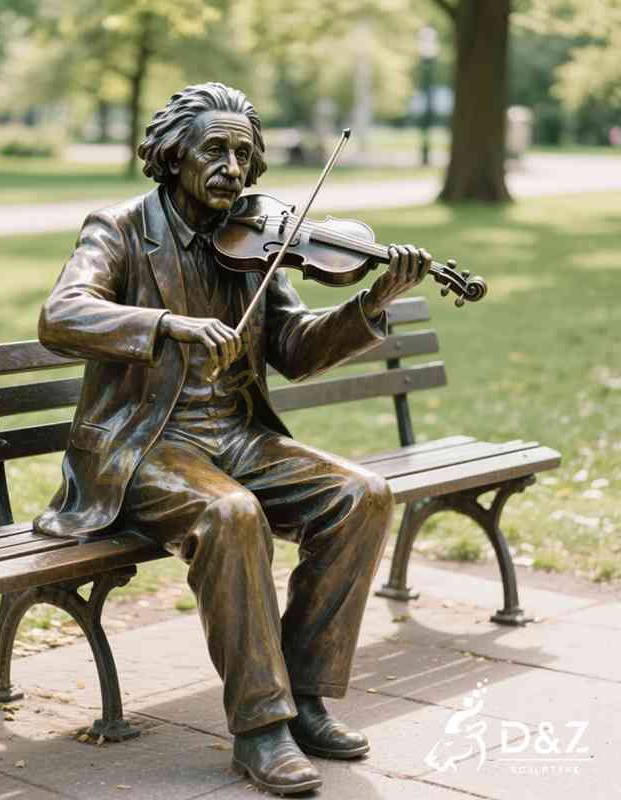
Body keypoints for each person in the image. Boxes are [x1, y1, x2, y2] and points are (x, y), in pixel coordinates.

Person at [35, 82, 431, 796]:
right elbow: (62, 315)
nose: (233, 166)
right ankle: (260, 729)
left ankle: (305, 699)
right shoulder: (121, 228)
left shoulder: (255, 238)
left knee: (361, 495)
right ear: (173, 154)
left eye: (244, 153)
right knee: (230, 513)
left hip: (237, 435)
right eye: (215, 149)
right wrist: (165, 326)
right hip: (145, 445)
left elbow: (298, 350)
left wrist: (369, 303)